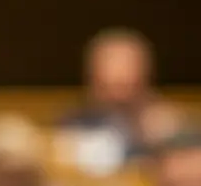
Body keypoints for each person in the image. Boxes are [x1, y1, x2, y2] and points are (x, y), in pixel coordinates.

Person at [59, 27, 158, 173]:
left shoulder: (169, 132)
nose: (118, 95)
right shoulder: (69, 129)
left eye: (126, 85)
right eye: (107, 87)